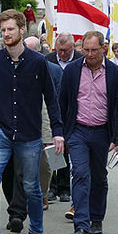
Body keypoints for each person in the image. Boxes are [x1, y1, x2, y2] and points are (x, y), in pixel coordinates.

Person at [0, 9, 63, 234]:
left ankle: (35, 232)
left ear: (22, 30)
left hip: (29, 134)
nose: (6, 34)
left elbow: (51, 98)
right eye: (3, 30)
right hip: (0, 134)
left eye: (10, 29)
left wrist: (57, 132)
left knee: (31, 186)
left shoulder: (38, 63)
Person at [58, 31, 118, 234]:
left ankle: (96, 217)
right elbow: (62, 103)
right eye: (86, 50)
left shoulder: (114, 74)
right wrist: (60, 132)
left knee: (98, 176)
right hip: (78, 130)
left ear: (103, 48)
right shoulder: (72, 71)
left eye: (94, 50)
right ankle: (81, 224)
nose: (89, 54)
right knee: (80, 173)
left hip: (102, 132)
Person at [46, 32, 80, 201]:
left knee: (67, 150)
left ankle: (65, 188)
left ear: (73, 47)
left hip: (73, 111)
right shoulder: (48, 60)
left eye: (66, 50)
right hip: (53, 109)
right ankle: (52, 187)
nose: (62, 54)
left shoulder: (81, 59)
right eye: (59, 50)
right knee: (54, 149)